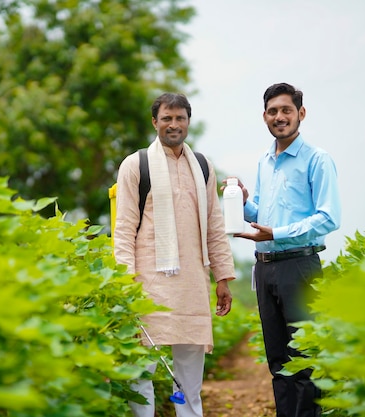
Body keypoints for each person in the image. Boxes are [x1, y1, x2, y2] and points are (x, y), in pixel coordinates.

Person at [113, 92, 236, 417]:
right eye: (167, 118)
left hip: (191, 285)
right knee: (142, 372)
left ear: (188, 122)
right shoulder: (136, 164)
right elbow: (124, 229)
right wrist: (124, 284)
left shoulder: (202, 166)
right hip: (146, 286)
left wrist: (222, 276)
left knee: (189, 380)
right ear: (155, 122)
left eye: (180, 118)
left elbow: (213, 224)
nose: (173, 124)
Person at [232, 83, 341, 417]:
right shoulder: (266, 161)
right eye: (273, 111)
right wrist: (247, 203)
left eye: (286, 110)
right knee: (277, 361)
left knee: (306, 360)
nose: (279, 117)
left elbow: (328, 218)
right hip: (265, 268)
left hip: (300, 267)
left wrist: (277, 233)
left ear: (300, 114)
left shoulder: (317, 160)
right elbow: (264, 214)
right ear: (264, 116)